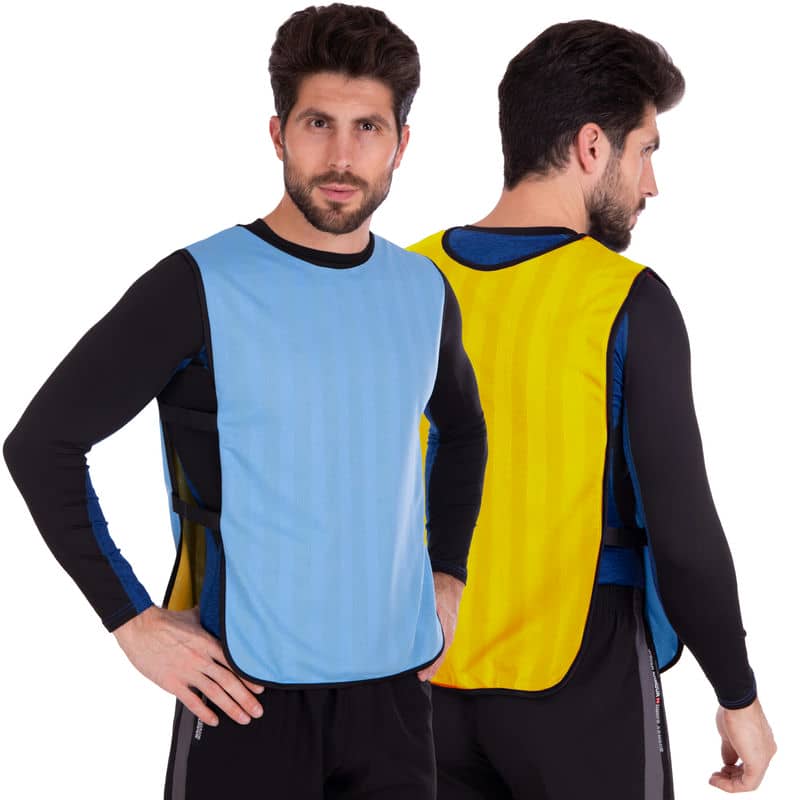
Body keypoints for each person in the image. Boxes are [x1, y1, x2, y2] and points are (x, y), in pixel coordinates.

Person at [3, 5, 487, 798]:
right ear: (278, 134)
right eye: (318, 123)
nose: (342, 156)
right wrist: (131, 620)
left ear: (401, 144)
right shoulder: (199, 284)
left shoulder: (423, 289)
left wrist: (449, 574)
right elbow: (41, 445)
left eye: (367, 128)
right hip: (244, 694)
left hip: (395, 699)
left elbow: (464, 434)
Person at [409, 19, 776, 800]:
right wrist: (737, 694)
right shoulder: (622, 299)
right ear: (590, 147)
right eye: (644, 151)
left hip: (417, 677)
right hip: (583, 675)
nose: (651, 184)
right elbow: (683, 534)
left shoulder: (404, 279)